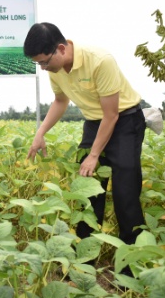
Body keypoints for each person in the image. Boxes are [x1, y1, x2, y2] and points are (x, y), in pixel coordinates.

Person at [24, 22, 146, 246]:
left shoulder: (100, 60)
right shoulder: (56, 68)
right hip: (93, 123)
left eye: (43, 61)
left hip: (124, 121)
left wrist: (94, 155)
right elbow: (61, 101)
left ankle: (132, 264)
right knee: (87, 191)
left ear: (61, 48)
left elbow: (111, 115)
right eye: (38, 63)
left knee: (124, 193)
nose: (42, 67)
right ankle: (84, 259)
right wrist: (40, 132)